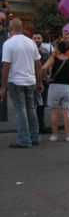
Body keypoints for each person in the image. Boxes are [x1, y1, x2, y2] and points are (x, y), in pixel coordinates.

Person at [0, 18, 43, 148]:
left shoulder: (8, 44)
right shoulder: (31, 42)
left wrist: (3, 86)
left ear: (10, 28)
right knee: (31, 109)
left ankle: (24, 139)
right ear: (21, 28)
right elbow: (38, 65)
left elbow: (6, 66)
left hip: (15, 81)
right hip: (30, 80)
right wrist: (39, 82)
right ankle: (35, 137)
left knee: (21, 110)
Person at [41, 41, 69, 141]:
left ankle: (54, 135)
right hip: (67, 87)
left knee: (54, 112)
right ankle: (68, 135)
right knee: (66, 112)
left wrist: (46, 78)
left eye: (55, 47)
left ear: (58, 50)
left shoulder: (53, 59)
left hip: (55, 86)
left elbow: (43, 68)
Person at [32, 31, 52, 133]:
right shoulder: (31, 50)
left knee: (41, 105)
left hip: (42, 81)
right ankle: (38, 126)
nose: (37, 40)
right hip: (33, 81)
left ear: (42, 39)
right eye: (35, 38)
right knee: (36, 105)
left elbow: (47, 66)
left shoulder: (44, 51)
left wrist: (48, 77)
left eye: (38, 38)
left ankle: (40, 125)